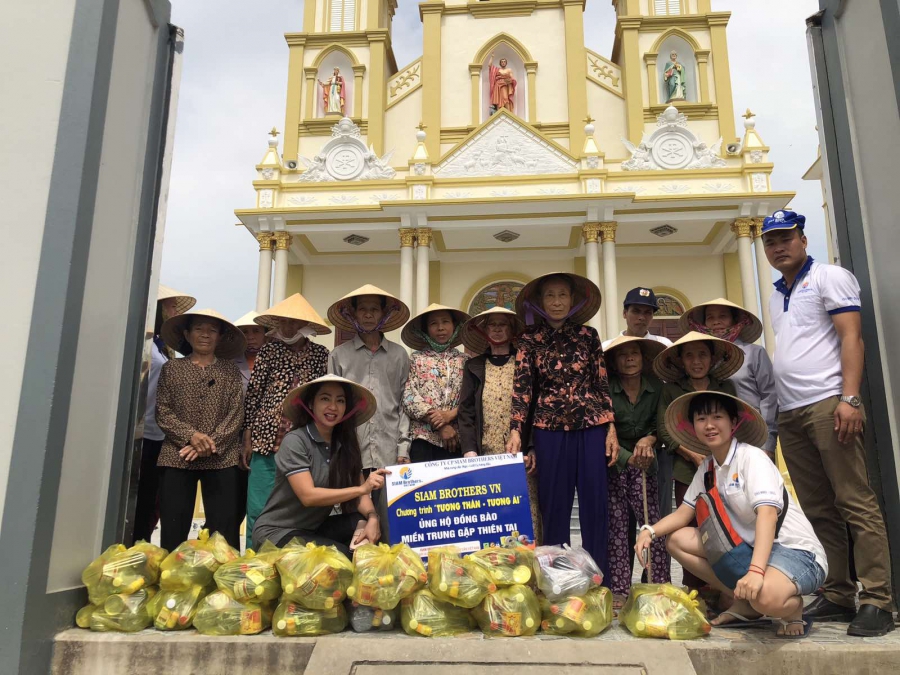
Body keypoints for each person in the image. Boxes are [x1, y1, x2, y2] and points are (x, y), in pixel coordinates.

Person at [761, 209, 894, 636]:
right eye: (770, 241)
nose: (778, 246)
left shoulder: (829, 277)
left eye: (786, 238)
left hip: (827, 403)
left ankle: (877, 599)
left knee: (854, 500)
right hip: (790, 410)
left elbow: (851, 336)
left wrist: (850, 397)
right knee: (819, 507)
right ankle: (839, 592)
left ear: (803, 239)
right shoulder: (777, 292)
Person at [637, 391, 827, 638]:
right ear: (693, 426)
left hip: (796, 552)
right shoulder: (707, 468)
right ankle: (747, 603)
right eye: (701, 418)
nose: (709, 425)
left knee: (766, 599)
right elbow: (684, 512)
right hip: (750, 549)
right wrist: (649, 531)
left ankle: (792, 609)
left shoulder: (752, 458)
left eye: (717, 416)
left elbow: (767, 515)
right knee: (676, 540)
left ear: (733, 421)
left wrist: (756, 572)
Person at [508, 272, 617, 579]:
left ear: (573, 300)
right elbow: (523, 388)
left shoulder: (588, 335)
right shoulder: (529, 340)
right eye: (550, 296)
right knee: (554, 507)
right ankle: (557, 583)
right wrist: (516, 428)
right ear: (540, 302)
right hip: (549, 430)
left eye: (562, 295)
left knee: (595, 505)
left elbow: (601, 383)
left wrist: (610, 427)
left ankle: (598, 581)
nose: (557, 302)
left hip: (591, 426)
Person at [252, 375, 384, 558]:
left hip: (312, 530)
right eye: (325, 398)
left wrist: (372, 517)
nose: (333, 407)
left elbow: (361, 498)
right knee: (342, 559)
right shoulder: (295, 440)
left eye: (340, 400)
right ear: (311, 404)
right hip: (276, 534)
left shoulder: (345, 444)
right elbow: (308, 496)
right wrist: (362, 488)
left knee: (365, 527)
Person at [654, 331, 743, 591]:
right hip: (685, 470)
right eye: (689, 355)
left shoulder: (725, 387)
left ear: (712, 358)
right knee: (692, 525)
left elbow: (735, 420)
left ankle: (726, 586)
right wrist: (690, 454)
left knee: (727, 527)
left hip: (725, 468)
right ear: (681, 360)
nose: (696, 361)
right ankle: (695, 587)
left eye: (702, 355)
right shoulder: (671, 390)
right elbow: (663, 427)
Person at [242, 294, 331, 550]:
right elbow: (254, 394)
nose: (289, 328)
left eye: (295, 322)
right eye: (284, 322)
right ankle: (254, 560)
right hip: (266, 439)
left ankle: (292, 560)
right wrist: (247, 436)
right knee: (258, 506)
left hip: (305, 442)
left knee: (297, 508)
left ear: (306, 325)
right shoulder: (269, 350)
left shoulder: (320, 354)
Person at [155, 309, 247, 551]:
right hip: (177, 454)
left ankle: (223, 581)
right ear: (187, 334)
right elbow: (163, 412)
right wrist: (191, 437)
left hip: (221, 455)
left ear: (220, 337)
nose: (205, 335)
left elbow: (236, 413)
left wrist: (210, 443)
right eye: (199, 329)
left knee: (224, 529)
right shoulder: (172, 368)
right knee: (174, 525)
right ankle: (172, 580)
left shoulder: (230, 370)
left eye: (212, 330)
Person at [327, 284, 411, 540]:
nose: (368, 315)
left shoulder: (399, 355)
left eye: (374, 309)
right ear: (353, 315)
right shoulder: (339, 355)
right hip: (351, 450)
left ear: (384, 314)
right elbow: (330, 408)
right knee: (356, 520)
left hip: (389, 450)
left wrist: (403, 449)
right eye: (362, 309)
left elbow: (403, 404)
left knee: (389, 519)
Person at [458, 307, 542, 544]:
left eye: (502, 324)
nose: (496, 329)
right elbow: (466, 413)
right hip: (486, 455)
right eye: (491, 325)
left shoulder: (525, 364)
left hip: (520, 456)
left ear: (512, 330)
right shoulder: (474, 366)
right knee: (491, 514)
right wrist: (469, 449)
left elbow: (536, 408)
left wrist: (533, 447)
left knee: (526, 511)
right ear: (484, 331)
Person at [603, 335, 671, 606]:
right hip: (615, 462)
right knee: (618, 527)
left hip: (647, 466)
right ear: (614, 362)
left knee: (651, 526)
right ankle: (619, 588)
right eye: (623, 355)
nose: (629, 358)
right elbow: (602, 429)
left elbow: (664, 425)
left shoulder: (657, 388)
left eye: (635, 353)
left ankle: (656, 583)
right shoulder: (606, 389)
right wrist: (628, 457)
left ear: (643, 359)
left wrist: (651, 438)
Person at [131, 285, 196, 545]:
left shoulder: (161, 345)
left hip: (159, 435)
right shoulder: (143, 342)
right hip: (142, 433)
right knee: (138, 500)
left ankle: (143, 548)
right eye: (169, 306)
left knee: (151, 501)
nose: (173, 311)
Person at [680, 299, 777, 456]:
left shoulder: (754, 353)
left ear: (734, 320)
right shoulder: (702, 359)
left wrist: (768, 443)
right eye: (710, 317)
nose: (716, 322)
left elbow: (770, 397)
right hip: (713, 438)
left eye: (723, 316)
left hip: (753, 435)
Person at [402, 304, 471, 463]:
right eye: (434, 323)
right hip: (423, 440)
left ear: (455, 326)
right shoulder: (415, 360)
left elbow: (472, 398)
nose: (440, 328)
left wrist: (451, 414)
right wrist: (440, 425)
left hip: (456, 440)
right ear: (425, 330)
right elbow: (408, 396)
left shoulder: (465, 361)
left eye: (445, 322)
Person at [602, 287, 674, 350]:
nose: (642, 317)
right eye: (636, 311)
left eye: (647, 312)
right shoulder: (607, 347)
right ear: (624, 313)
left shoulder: (664, 345)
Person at [233, 311, 267, 394]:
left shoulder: (276, 363)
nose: (250, 337)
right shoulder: (230, 364)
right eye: (245, 332)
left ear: (266, 335)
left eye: (256, 331)